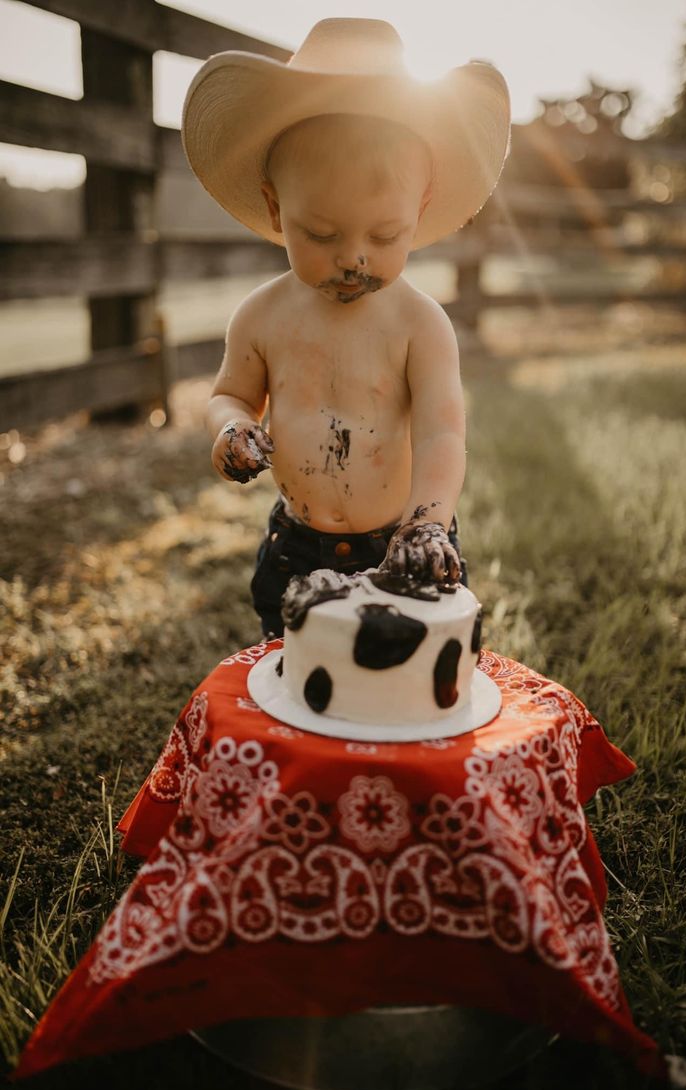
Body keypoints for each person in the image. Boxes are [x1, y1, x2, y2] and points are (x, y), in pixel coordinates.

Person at [182, 18, 510, 637]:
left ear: (419, 210)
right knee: (299, 685)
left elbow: (442, 434)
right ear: (277, 209)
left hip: (403, 541)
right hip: (298, 547)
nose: (353, 258)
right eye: (321, 234)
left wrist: (428, 524)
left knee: (410, 682)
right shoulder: (261, 316)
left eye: (385, 236)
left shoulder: (421, 324)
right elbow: (231, 394)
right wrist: (231, 427)